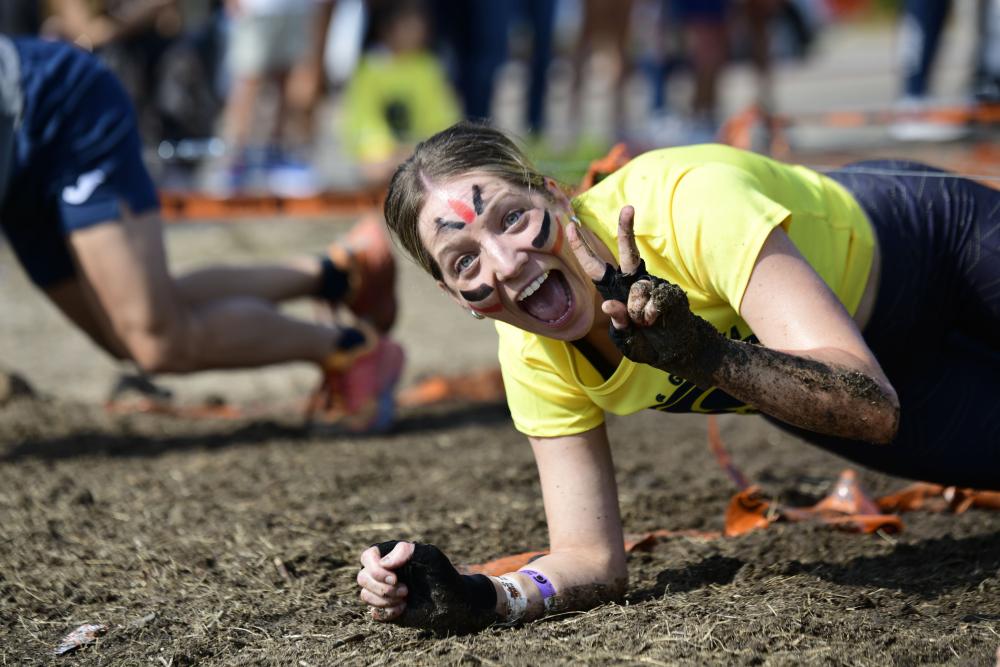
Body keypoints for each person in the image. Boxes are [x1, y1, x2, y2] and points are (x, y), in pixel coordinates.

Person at [355, 121, 1000, 632]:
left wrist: (707, 357)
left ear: (556, 194)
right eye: (464, 261)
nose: (503, 262)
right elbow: (591, 561)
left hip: (934, 246)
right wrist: (485, 596)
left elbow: (870, 405)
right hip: (879, 382)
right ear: (455, 296)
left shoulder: (686, 202)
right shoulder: (531, 353)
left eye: (512, 218)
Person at [0, 36, 403, 433]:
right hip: (17, 157)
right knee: (124, 332)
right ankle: (339, 271)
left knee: (154, 340)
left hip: (59, 109)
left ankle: (350, 348)